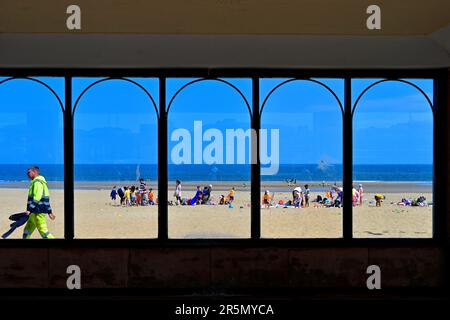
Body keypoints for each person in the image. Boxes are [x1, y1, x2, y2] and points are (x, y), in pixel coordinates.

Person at [23, 166, 55, 239]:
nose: (27, 174)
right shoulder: (38, 182)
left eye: (29, 172)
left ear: (34, 172)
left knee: (43, 231)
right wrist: (50, 212)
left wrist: (29, 209)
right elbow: (46, 199)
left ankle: (56, 247)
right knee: (27, 231)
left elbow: (37, 197)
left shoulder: (37, 182)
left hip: (38, 212)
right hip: (33, 213)